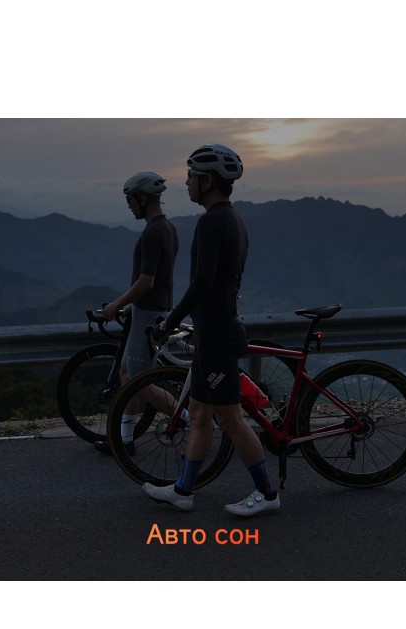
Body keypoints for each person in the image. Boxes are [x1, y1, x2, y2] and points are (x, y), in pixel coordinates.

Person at [143, 144, 280, 517]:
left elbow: (202, 283)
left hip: (218, 333)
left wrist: (169, 323)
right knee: (200, 414)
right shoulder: (232, 219)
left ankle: (267, 493)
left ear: (208, 181)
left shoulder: (211, 222)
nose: (186, 182)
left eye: (191, 176)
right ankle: (183, 490)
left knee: (230, 418)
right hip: (215, 330)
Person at [93, 171, 179, 456]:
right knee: (128, 374)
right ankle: (124, 440)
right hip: (150, 309)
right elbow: (162, 279)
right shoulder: (167, 228)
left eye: (130, 200)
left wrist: (116, 304)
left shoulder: (154, 232)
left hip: (150, 314)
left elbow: (147, 281)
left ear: (142, 198)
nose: (129, 206)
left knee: (139, 381)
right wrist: (133, 305)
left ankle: (186, 419)